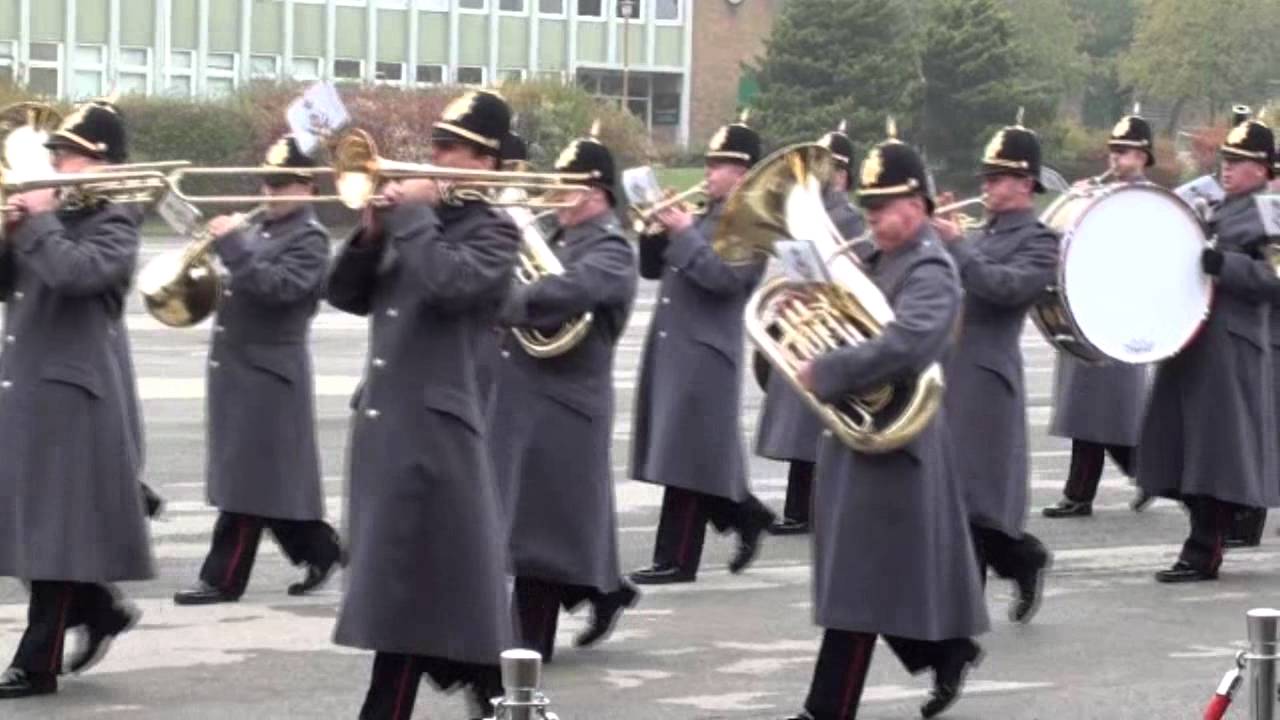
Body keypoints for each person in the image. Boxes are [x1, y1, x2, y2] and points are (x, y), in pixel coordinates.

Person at [326, 90, 519, 720]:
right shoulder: (412, 223)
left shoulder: (495, 231)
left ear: (485, 164)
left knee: (407, 595)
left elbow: (450, 284)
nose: (435, 156)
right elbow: (346, 296)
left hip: (436, 435)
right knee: (426, 594)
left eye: (451, 147)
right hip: (387, 422)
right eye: (435, 144)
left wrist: (411, 220)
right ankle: (500, 700)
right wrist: (371, 231)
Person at [782, 131, 988, 720]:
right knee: (869, 581)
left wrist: (826, 367)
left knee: (858, 593)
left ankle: (825, 711)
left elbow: (908, 345)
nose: (871, 216)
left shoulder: (931, 269)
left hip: (900, 442)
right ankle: (947, 652)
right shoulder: (869, 259)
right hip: (859, 436)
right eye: (867, 206)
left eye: (883, 207)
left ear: (918, 206)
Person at [0, 98, 153, 698]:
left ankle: (36, 662)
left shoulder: (117, 217)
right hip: (29, 384)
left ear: (104, 164)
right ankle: (98, 606)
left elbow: (78, 276)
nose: (55, 164)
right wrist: (12, 235)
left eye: (67, 156)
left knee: (55, 531)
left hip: (73, 392)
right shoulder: (50, 218)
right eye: (56, 154)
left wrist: (38, 223)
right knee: (35, 525)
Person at [489, 127, 640, 662]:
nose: (554, 195)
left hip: (567, 404)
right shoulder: (557, 237)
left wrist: (504, 299)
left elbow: (572, 292)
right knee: (537, 520)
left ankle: (525, 647)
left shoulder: (613, 248)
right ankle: (603, 590)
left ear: (596, 192)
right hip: (526, 396)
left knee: (541, 528)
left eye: (566, 186)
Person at [172, 135, 343, 605]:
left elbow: (278, 289)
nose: (270, 192)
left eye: (282, 184)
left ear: (307, 188)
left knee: (247, 483)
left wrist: (231, 246)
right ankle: (320, 548)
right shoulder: (262, 230)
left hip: (270, 372)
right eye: (267, 183)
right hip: (239, 369)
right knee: (260, 479)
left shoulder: (310, 239)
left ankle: (222, 578)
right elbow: (238, 282)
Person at [629, 114, 776, 585]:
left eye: (720, 165)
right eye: (710, 163)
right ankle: (745, 515)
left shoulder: (752, 224)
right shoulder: (706, 215)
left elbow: (725, 279)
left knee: (687, 459)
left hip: (708, 352)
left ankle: (679, 559)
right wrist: (655, 233)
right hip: (677, 345)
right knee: (681, 454)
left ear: (745, 173)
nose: (709, 173)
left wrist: (683, 233)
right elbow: (652, 273)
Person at [1140, 117, 1278, 582]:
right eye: (1226, 160)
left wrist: (1227, 264)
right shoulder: (1216, 206)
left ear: (1263, 169)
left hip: (1232, 345)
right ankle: (1211, 530)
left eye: (1239, 162)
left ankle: (1204, 549)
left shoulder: (1269, 212)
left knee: (1215, 454)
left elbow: (1275, 280)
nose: (1228, 168)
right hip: (1194, 340)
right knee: (1181, 445)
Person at [932, 116, 1058, 623]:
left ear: (1026, 184)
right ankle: (1019, 560)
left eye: (997, 178)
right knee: (954, 494)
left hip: (987, 377)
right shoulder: (979, 233)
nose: (985, 186)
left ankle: (975, 596)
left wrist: (956, 246)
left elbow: (1004, 289)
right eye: (984, 178)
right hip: (950, 371)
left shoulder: (1041, 240)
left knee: (975, 497)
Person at [1042, 112, 1155, 519]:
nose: (1115, 158)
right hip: (1088, 314)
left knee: (1103, 414)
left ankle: (1091, 491)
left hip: (1118, 316)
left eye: (1123, 151)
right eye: (1112, 150)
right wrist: (1077, 201)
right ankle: (1132, 480)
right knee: (1091, 413)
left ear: (1143, 156)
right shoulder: (1102, 193)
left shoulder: (1146, 201)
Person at [756, 121, 865, 536]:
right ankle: (797, 507)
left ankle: (811, 509)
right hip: (804, 324)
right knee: (801, 424)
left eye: (829, 167)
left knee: (819, 426)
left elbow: (854, 269)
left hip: (834, 328)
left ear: (843, 174)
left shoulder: (847, 218)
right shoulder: (806, 213)